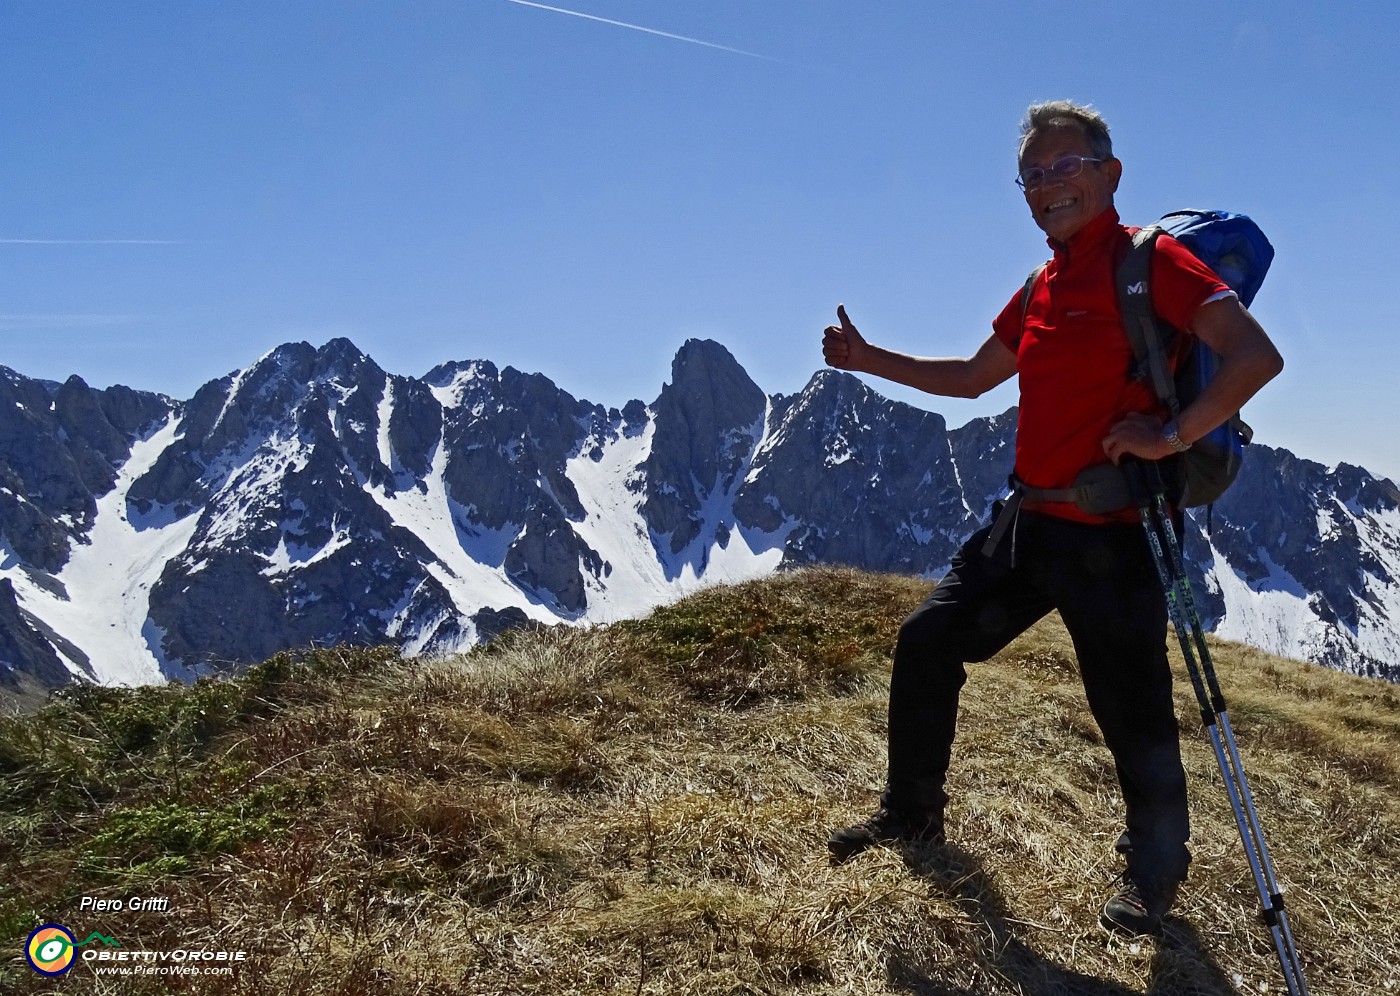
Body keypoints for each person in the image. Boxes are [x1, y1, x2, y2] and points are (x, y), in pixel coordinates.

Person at [820, 100, 1284, 937]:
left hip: (1117, 534)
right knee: (929, 640)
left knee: (1131, 710)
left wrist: (1171, 433)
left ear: (1109, 173)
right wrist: (868, 359)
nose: (1048, 186)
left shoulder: (1152, 265)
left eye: (1065, 166)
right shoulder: (1040, 286)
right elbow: (970, 377)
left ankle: (1155, 871)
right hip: (1031, 523)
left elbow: (1256, 354)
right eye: (1033, 175)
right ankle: (912, 812)